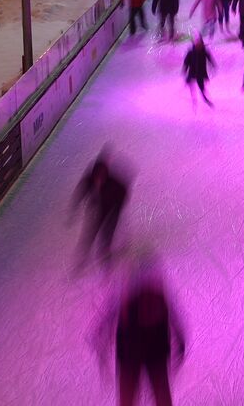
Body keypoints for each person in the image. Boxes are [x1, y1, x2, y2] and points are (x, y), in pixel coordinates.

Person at [111, 264, 185, 406]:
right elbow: (174, 318)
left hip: (130, 352)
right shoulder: (160, 296)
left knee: (129, 393)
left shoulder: (127, 296)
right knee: (161, 390)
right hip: (155, 351)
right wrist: (180, 343)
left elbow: (109, 316)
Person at [71, 152, 129, 265]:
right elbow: (81, 192)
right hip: (99, 209)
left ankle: (104, 254)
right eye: (98, 175)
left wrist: (118, 208)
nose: (100, 178)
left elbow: (124, 192)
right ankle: (84, 255)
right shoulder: (90, 179)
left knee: (107, 233)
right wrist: (74, 207)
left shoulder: (114, 183)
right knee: (91, 232)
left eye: (102, 175)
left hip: (113, 209)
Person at [183, 34, 215, 108]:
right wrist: (184, 70)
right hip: (192, 71)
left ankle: (205, 99)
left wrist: (213, 65)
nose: (198, 44)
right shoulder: (190, 52)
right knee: (191, 85)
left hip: (200, 73)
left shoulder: (204, 51)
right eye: (196, 42)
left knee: (202, 88)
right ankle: (194, 99)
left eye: (199, 42)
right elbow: (186, 62)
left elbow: (210, 59)